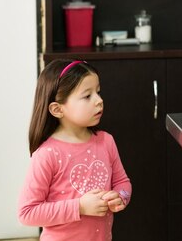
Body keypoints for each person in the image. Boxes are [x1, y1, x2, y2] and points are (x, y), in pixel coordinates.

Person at [18, 60, 131, 240]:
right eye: (87, 96)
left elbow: (123, 183)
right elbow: (27, 213)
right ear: (57, 109)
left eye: (98, 92)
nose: (99, 100)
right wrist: (80, 207)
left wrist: (120, 197)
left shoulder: (106, 142)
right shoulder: (47, 154)